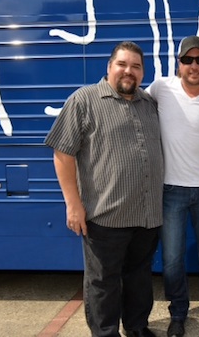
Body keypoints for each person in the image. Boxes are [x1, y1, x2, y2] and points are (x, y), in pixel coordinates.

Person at [45, 41, 163, 337]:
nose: (129, 71)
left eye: (136, 66)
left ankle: (137, 328)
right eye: (122, 64)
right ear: (109, 67)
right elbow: (62, 153)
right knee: (103, 282)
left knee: (139, 279)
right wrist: (73, 205)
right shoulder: (84, 100)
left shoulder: (148, 103)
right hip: (105, 216)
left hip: (147, 216)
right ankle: (105, 332)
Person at [145, 36, 199, 337]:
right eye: (187, 60)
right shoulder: (161, 88)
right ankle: (177, 312)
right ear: (178, 63)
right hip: (171, 190)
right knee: (172, 259)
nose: (194, 66)